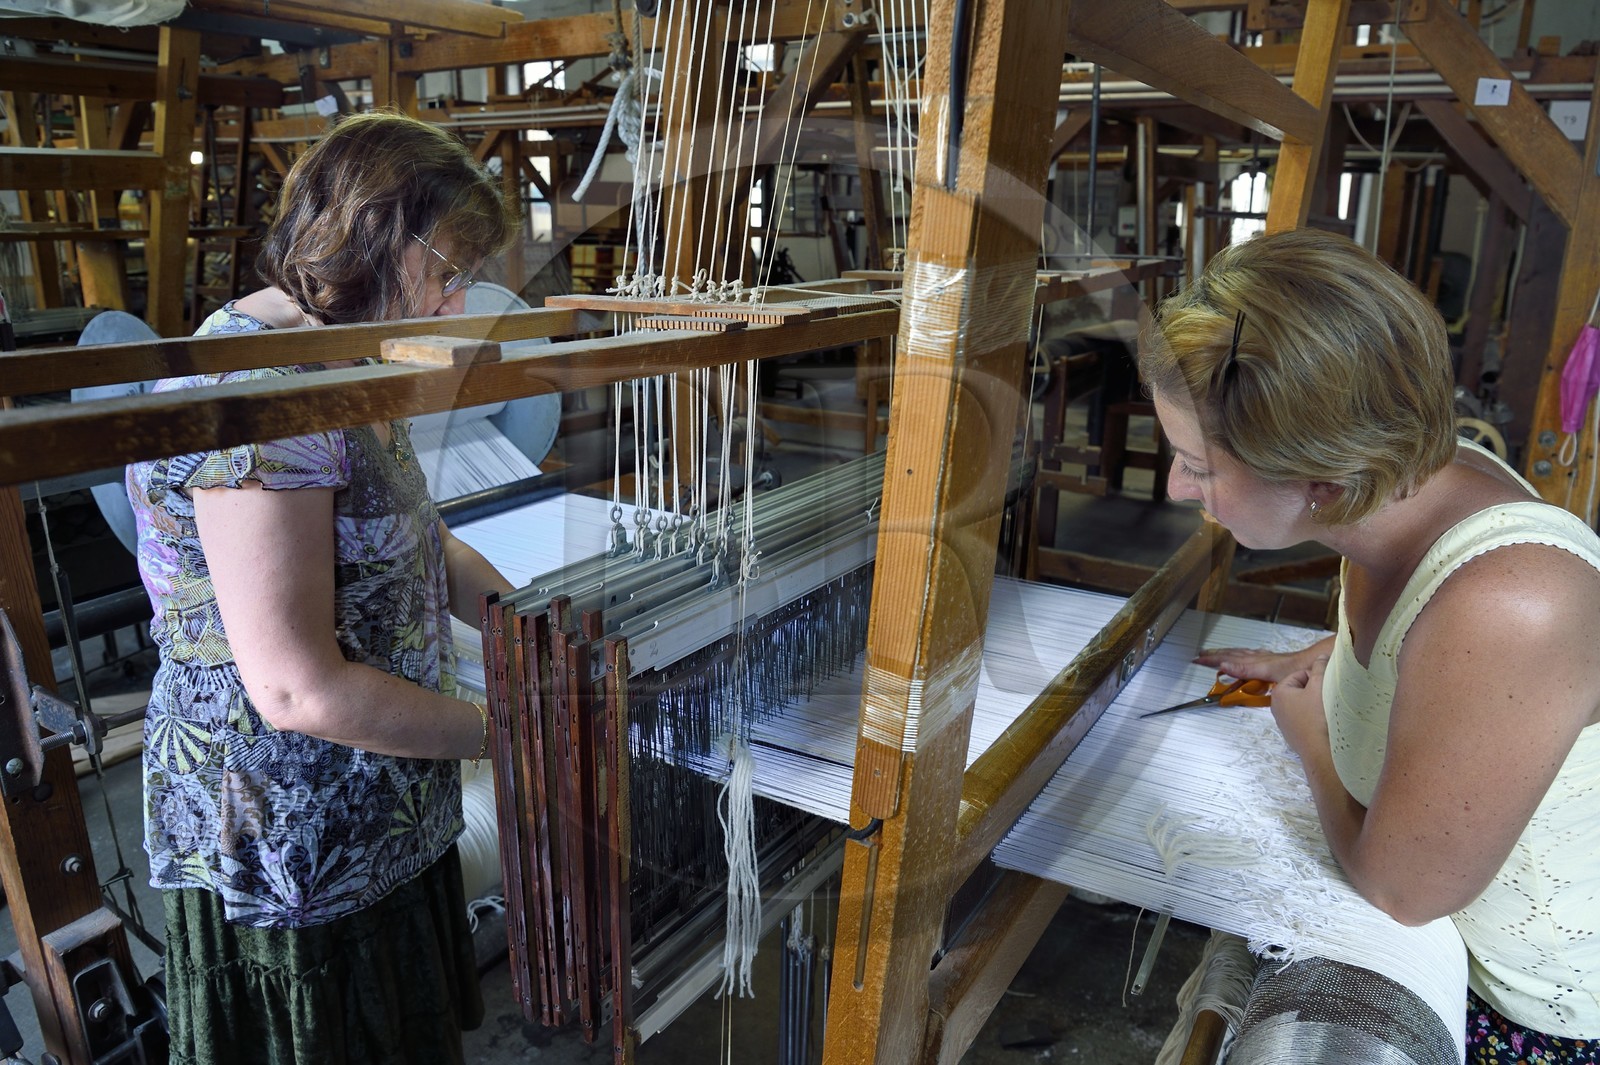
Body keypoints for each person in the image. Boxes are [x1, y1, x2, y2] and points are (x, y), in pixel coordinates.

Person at [1139, 227, 1600, 1063]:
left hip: (1537, 1011)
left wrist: (1309, 731)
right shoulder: (1411, 488)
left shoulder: (1513, 600)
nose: (1177, 487)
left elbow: (1404, 889)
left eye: (1196, 465)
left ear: (1322, 479)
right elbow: (1434, 660)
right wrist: (1317, 659)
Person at [127, 110, 519, 1065]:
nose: (455, 302)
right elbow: (295, 688)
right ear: (378, 234)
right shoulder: (264, 398)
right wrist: (511, 729)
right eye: (447, 270)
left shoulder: (338, 354)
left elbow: (416, 538)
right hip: (297, 838)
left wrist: (525, 624)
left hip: (374, 805)